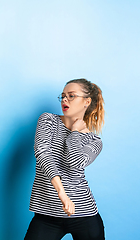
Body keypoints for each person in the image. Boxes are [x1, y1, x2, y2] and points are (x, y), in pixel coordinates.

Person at [25, 78, 105, 240]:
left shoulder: (94, 141)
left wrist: (75, 133)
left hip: (83, 213)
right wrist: (62, 194)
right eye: (62, 96)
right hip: (47, 213)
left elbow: (75, 163)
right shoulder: (48, 120)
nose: (64, 100)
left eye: (71, 96)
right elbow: (42, 153)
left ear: (86, 102)